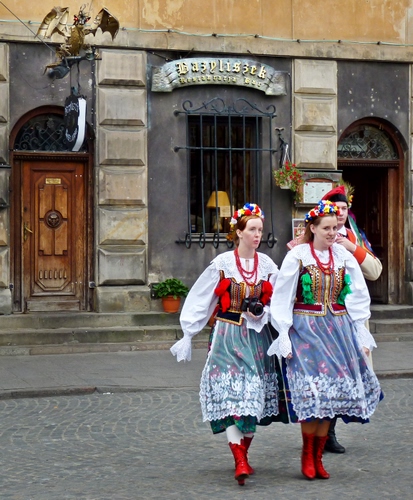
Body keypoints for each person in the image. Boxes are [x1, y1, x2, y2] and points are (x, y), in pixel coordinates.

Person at [267, 200, 382, 480]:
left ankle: (318, 457)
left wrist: (360, 330)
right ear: (313, 228)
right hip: (306, 330)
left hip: (338, 331)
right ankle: (307, 454)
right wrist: (283, 333)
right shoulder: (298, 256)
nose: (332, 233)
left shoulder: (343, 256)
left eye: (334, 228)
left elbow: (357, 295)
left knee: (330, 395)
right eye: (326, 228)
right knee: (312, 393)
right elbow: (282, 296)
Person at [170, 203, 284, 486]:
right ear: (239, 232)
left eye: (260, 230)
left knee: (253, 398)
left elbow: (280, 300)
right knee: (231, 397)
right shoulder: (222, 264)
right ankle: (240, 460)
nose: (257, 235)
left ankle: (243, 454)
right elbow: (201, 297)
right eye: (252, 229)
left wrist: (267, 315)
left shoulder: (267, 265)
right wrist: (189, 332)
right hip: (227, 336)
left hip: (257, 339)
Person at [321, 185, 382, 453]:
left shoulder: (355, 236)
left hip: (352, 316)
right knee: (326, 372)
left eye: (344, 208)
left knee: (346, 374)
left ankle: (330, 430)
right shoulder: (314, 235)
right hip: (324, 316)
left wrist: (352, 247)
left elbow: (375, 271)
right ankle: (321, 432)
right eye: (335, 209)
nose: (341, 214)